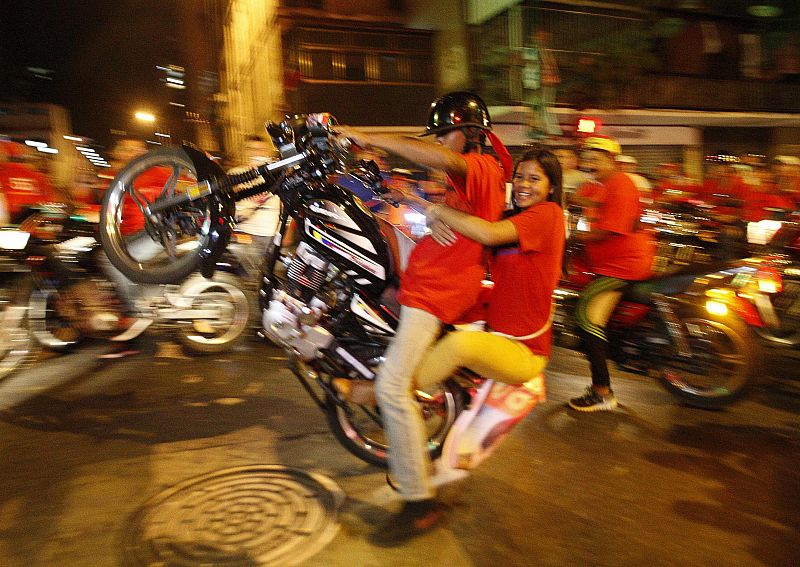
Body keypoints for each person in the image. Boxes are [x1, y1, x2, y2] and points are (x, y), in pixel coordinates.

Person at [335, 91, 510, 543]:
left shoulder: (483, 168)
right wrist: (425, 211)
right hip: (424, 281)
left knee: (393, 387)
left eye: (443, 136)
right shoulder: (462, 183)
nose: (439, 146)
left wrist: (362, 134)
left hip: (438, 292)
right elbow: (434, 200)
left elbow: (432, 155)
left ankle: (419, 502)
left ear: (468, 132)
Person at [567, 136, 655, 412]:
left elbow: (608, 230)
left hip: (623, 266)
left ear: (613, 161)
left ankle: (601, 391)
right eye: (588, 159)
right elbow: (579, 197)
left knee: (585, 316)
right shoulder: (601, 186)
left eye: (597, 159)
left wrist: (573, 237)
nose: (590, 164)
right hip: (611, 264)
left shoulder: (621, 184)